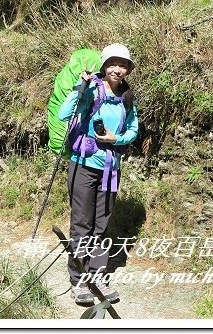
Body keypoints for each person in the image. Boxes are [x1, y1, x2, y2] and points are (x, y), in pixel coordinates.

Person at [58, 42, 139, 305]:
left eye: (123, 65)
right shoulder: (91, 90)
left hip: (110, 167)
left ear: (128, 69)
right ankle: (79, 280)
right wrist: (79, 90)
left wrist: (117, 138)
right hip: (83, 165)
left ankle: (98, 275)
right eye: (113, 64)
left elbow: (133, 130)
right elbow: (63, 114)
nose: (118, 69)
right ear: (104, 66)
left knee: (101, 226)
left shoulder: (127, 98)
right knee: (82, 223)